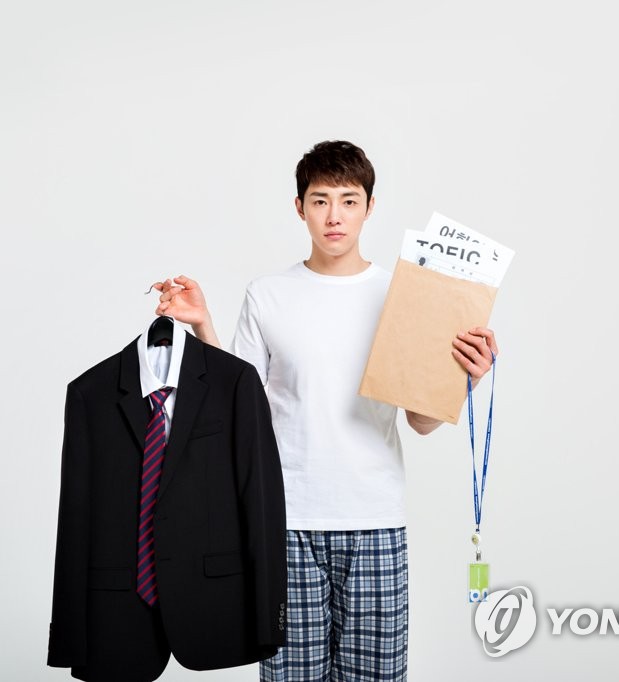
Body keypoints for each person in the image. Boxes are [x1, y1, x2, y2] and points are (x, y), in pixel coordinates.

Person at [151, 140, 498, 681]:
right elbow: (237, 406)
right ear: (300, 207)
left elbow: (421, 421)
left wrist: (465, 379)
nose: (334, 216)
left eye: (348, 201)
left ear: (369, 207)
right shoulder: (268, 294)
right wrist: (203, 326)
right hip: (285, 521)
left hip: (376, 521)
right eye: (320, 201)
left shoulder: (403, 296)